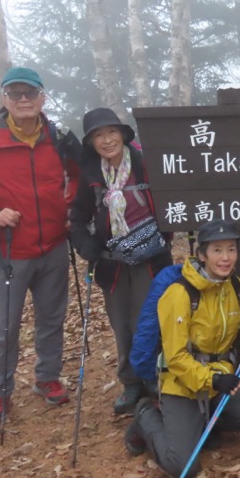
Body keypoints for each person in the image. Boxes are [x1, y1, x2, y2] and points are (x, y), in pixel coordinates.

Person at [0, 66, 81, 423]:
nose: (23, 99)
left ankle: (47, 378)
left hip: (54, 246)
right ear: (5, 99)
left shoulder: (57, 137)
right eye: (15, 94)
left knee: (52, 318)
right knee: (5, 327)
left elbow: (77, 173)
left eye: (30, 93)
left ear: (42, 97)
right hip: (9, 249)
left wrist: (69, 206)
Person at [124, 219, 240, 478]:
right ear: (202, 255)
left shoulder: (232, 285)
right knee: (182, 466)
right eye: (217, 250)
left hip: (219, 381)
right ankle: (146, 415)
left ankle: (201, 425)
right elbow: (176, 359)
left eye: (231, 249)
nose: (226, 257)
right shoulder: (179, 294)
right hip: (183, 385)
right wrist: (214, 379)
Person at [70, 108, 173, 415]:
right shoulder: (91, 174)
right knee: (122, 323)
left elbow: (172, 199)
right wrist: (85, 245)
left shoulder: (145, 162)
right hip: (111, 263)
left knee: (152, 318)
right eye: (99, 135)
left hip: (152, 258)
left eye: (111, 132)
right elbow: (78, 216)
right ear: (91, 142)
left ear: (123, 135)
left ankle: (156, 378)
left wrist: (166, 233)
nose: (107, 140)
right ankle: (131, 384)